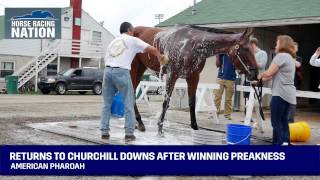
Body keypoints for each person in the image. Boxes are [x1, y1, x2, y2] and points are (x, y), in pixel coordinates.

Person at [100, 22, 166, 142]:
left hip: (107, 72)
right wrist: (160, 56)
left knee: (106, 104)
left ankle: (104, 131)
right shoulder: (132, 40)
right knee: (128, 103)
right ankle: (129, 133)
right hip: (121, 72)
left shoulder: (113, 41)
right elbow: (151, 48)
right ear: (130, 30)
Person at [257, 35, 296, 145]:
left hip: (280, 94)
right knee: (284, 120)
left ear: (282, 44)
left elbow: (268, 72)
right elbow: (272, 75)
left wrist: (260, 76)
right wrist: (259, 81)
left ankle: (276, 146)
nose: (275, 45)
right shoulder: (290, 57)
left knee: (276, 122)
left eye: (277, 43)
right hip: (289, 95)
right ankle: (285, 143)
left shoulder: (281, 56)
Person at [214, 54, 236, 120]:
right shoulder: (222, 53)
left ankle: (227, 114)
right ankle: (215, 113)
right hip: (220, 77)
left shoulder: (234, 53)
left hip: (231, 78)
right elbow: (217, 65)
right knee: (217, 96)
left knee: (228, 98)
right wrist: (217, 56)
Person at [287, 42, 302, 123]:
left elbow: (298, 65)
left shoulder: (298, 58)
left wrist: (291, 57)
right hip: (285, 82)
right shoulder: (285, 57)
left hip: (294, 82)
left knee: (292, 102)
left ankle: (290, 121)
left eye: (295, 48)